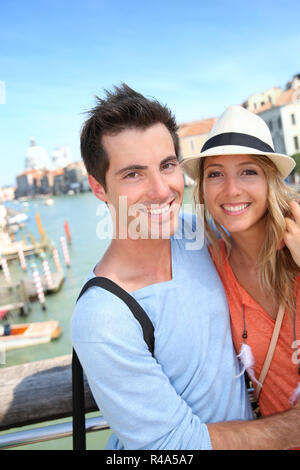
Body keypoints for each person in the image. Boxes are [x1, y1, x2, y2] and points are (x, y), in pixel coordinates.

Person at [71, 85, 300, 450]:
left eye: (167, 165)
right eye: (133, 174)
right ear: (99, 188)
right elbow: (173, 447)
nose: (161, 190)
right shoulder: (102, 317)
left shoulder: (197, 233)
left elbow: (255, 209)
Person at [181, 105, 300, 419]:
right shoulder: (210, 265)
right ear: (203, 191)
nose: (231, 190)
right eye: (216, 174)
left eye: (248, 171)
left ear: (270, 181)